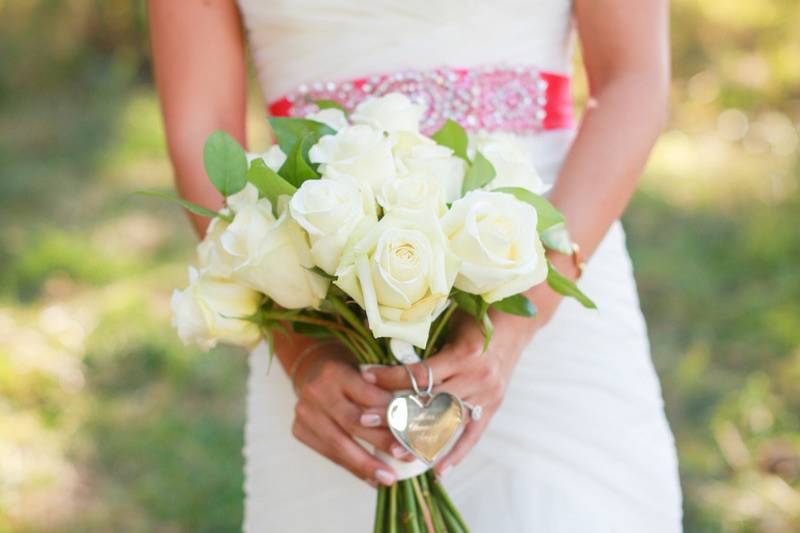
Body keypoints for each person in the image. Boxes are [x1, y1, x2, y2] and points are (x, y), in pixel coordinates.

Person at [149, 0, 682, 530]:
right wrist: (304, 351)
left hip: (549, 258)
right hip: (321, 295)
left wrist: (517, 324)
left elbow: (632, 79)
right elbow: (204, 124)